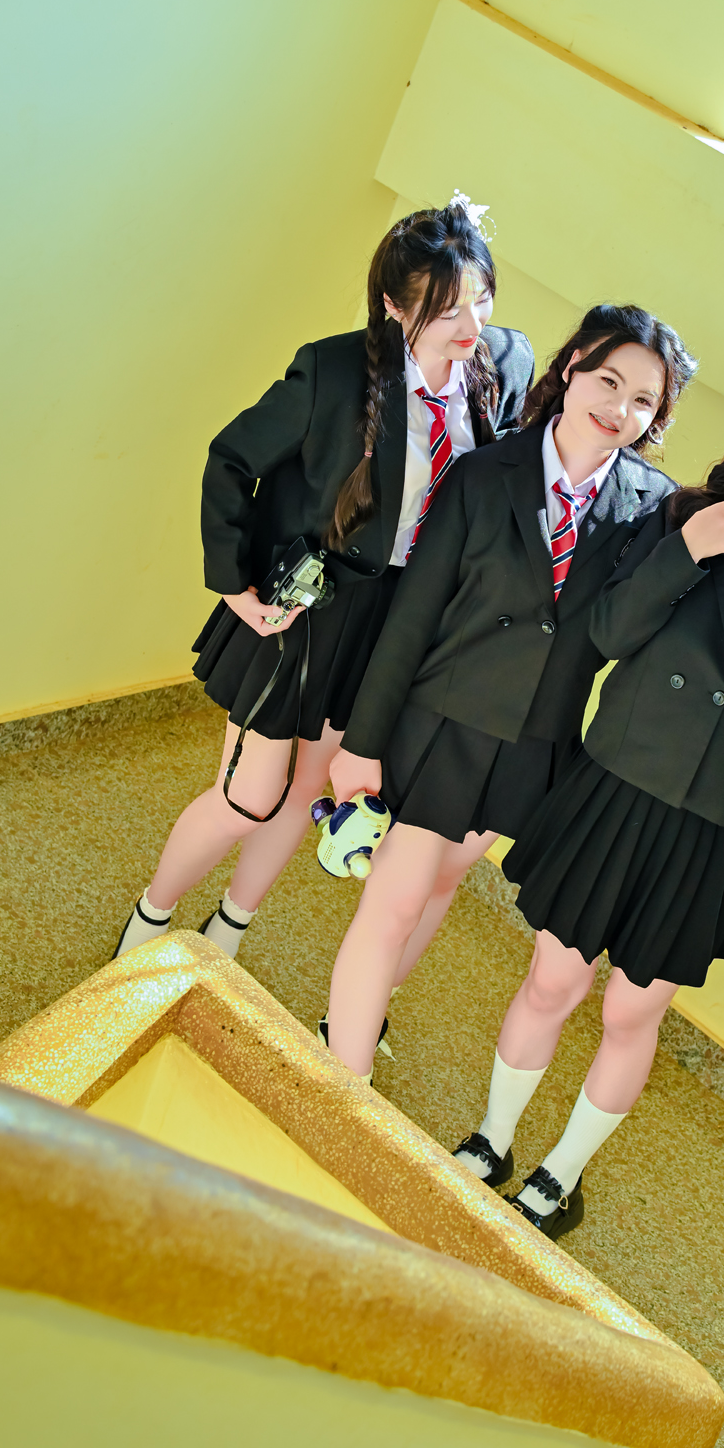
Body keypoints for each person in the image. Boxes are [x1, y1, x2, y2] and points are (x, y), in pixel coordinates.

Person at [455, 379, 724, 1238]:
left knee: (630, 1011)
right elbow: (608, 633)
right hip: (615, 790)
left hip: (709, 829)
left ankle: (559, 1176)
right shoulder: (684, 521)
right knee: (553, 981)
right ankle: (491, 1141)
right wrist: (682, 555)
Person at [112, 195, 532, 963]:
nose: (471, 326)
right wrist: (233, 583)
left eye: (482, 300)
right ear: (393, 307)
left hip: (396, 621)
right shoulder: (334, 371)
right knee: (248, 795)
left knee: (307, 789)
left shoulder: (506, 362)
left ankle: (227, 932)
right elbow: (230, 460)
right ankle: (151, 916)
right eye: (447, 312)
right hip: (309, 606)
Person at [318, 304, 707, 1081]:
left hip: (535, 742)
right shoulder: (485, 472)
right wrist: (360, 745)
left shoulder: (651, 509)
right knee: (394, 900)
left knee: (442, 884)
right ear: (572, 368)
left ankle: (353, 1017)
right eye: (608, 381)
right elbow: (412, 618)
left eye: (644, 400)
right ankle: (339, 1084)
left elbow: (644, 635)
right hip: (441, 721)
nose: (620, 408)